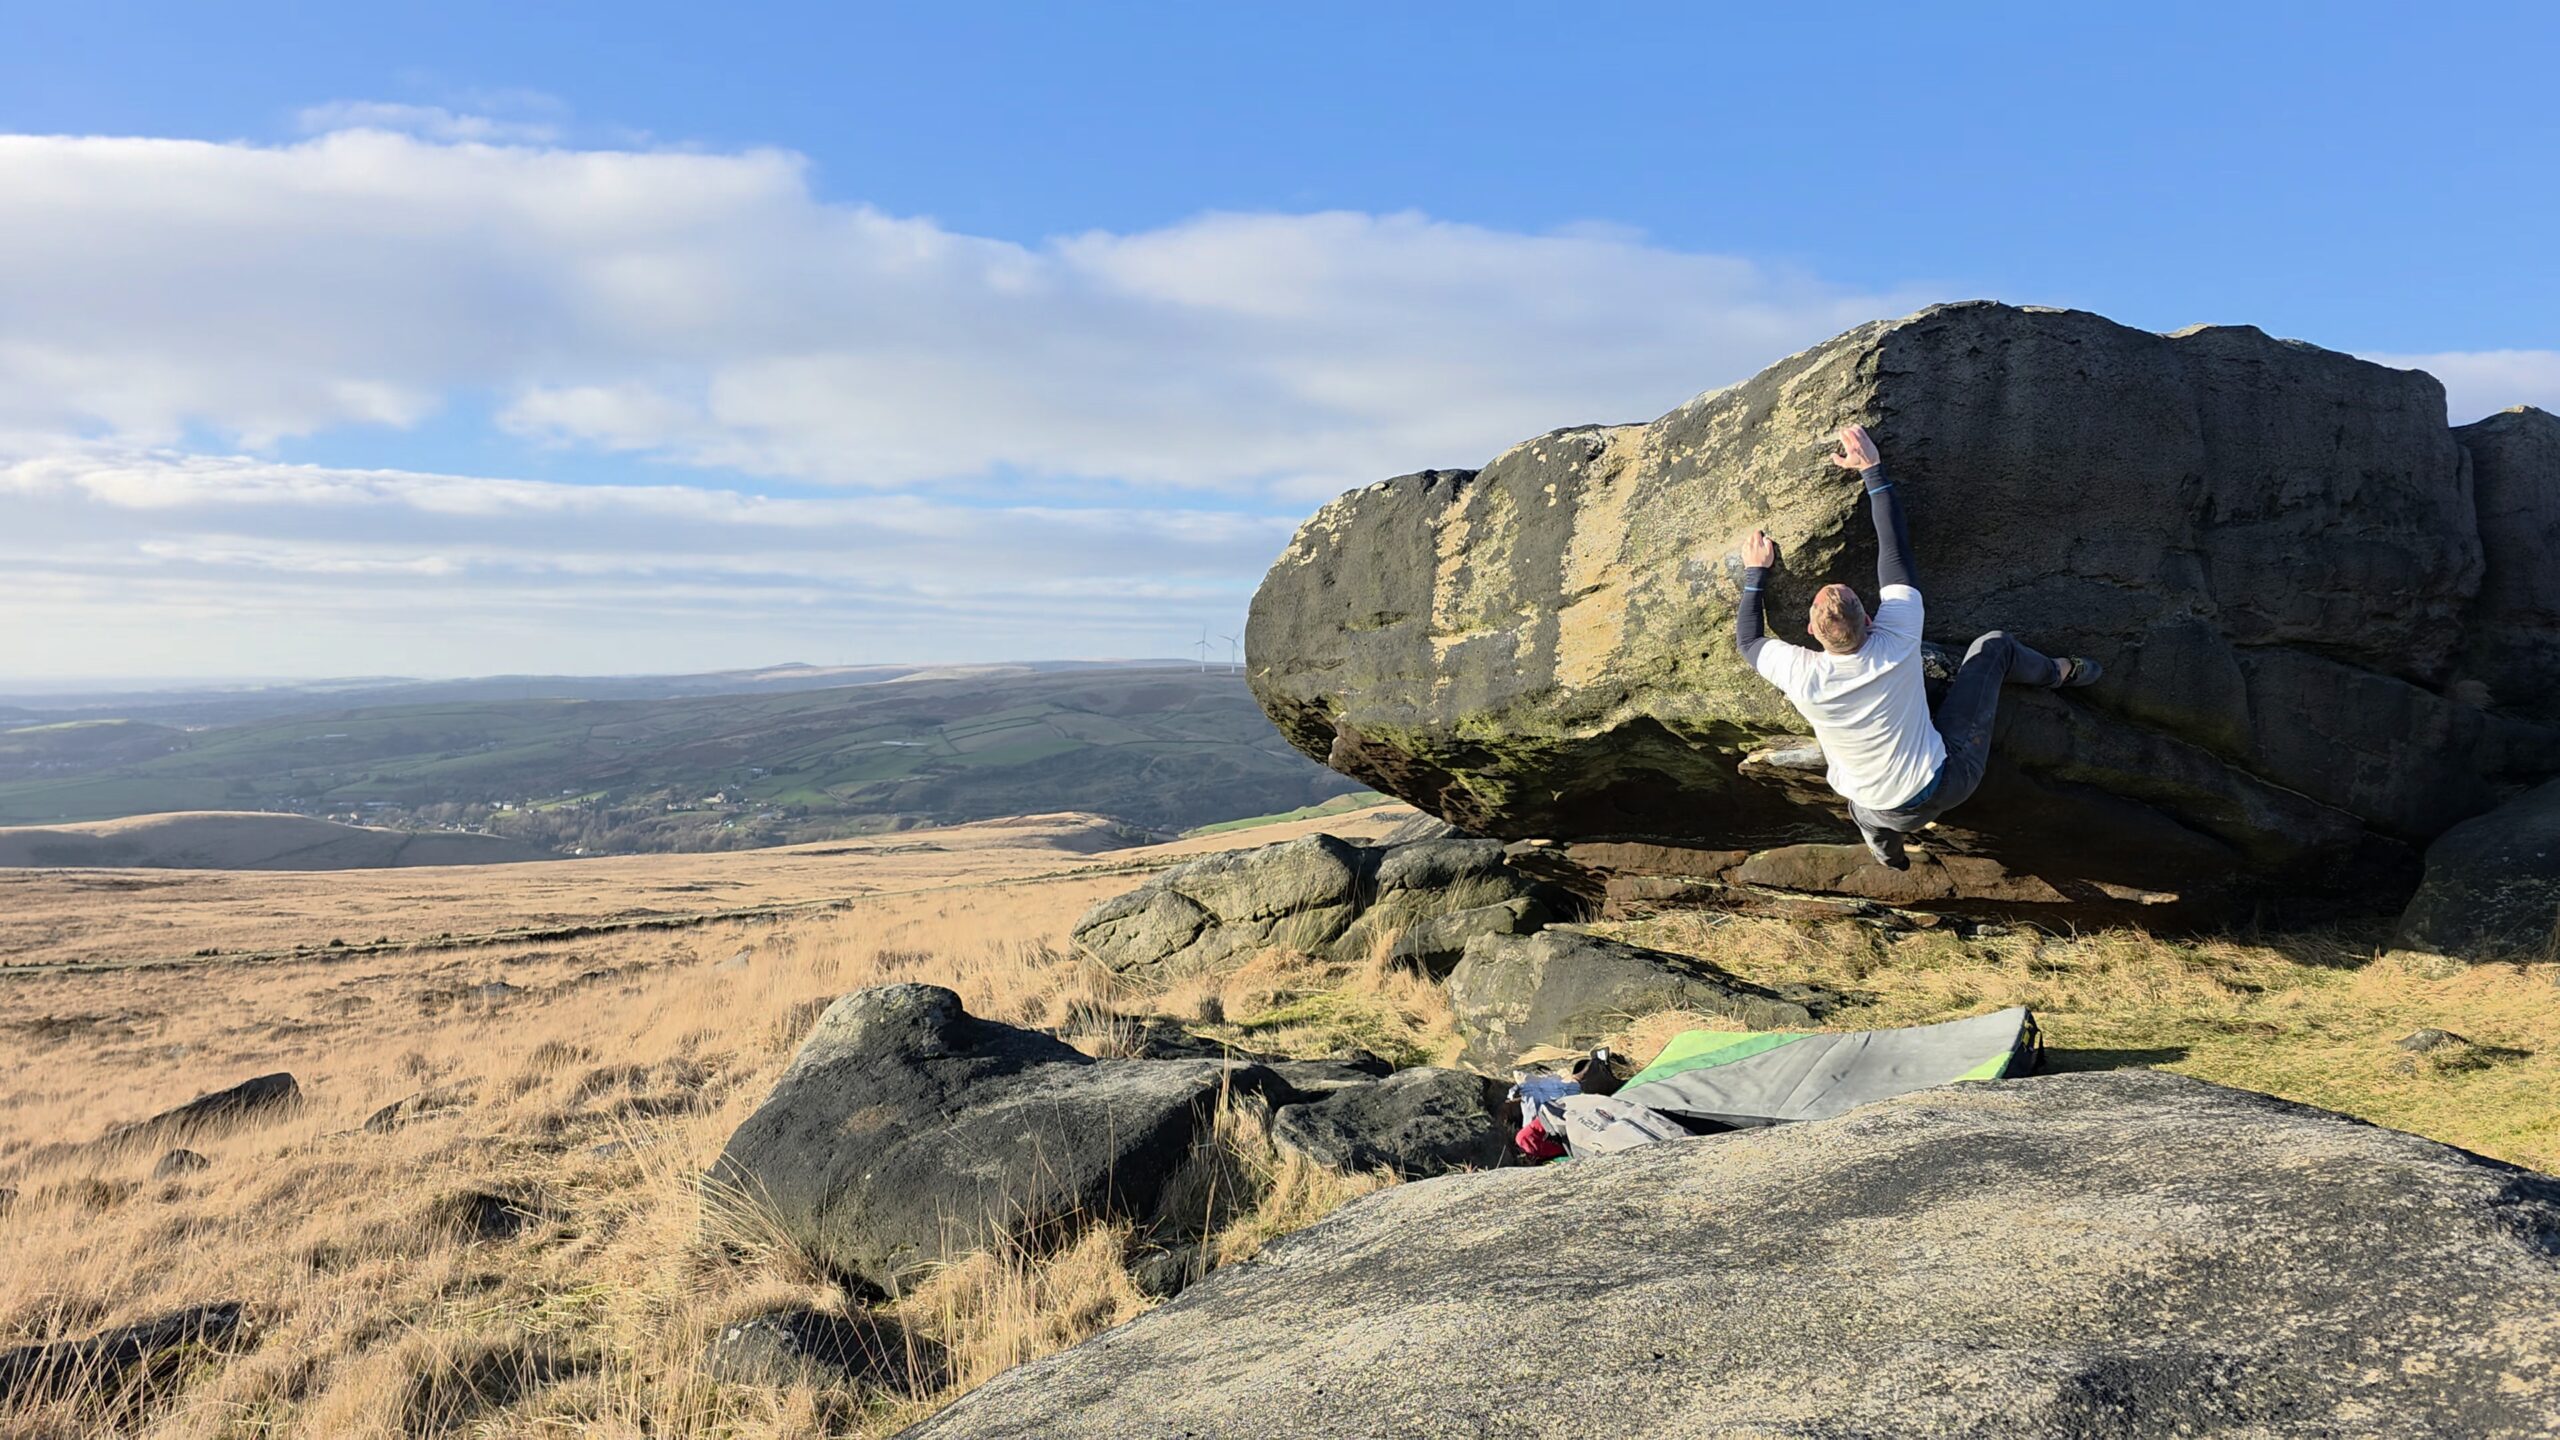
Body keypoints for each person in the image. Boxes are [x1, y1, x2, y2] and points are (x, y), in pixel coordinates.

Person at [1730, 424, 2100, 870]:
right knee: (1994, 647)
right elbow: (1896, 555)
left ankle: (1888, 854)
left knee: (1863, 812)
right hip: (1946, 781)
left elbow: (1749, 640)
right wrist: (1872, 471)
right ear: (1869, 619)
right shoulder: (1898, 636)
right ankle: (2062, 672)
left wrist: (1756, 574)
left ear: (1809, 633)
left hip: (1878, 806)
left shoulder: (1801, 675)